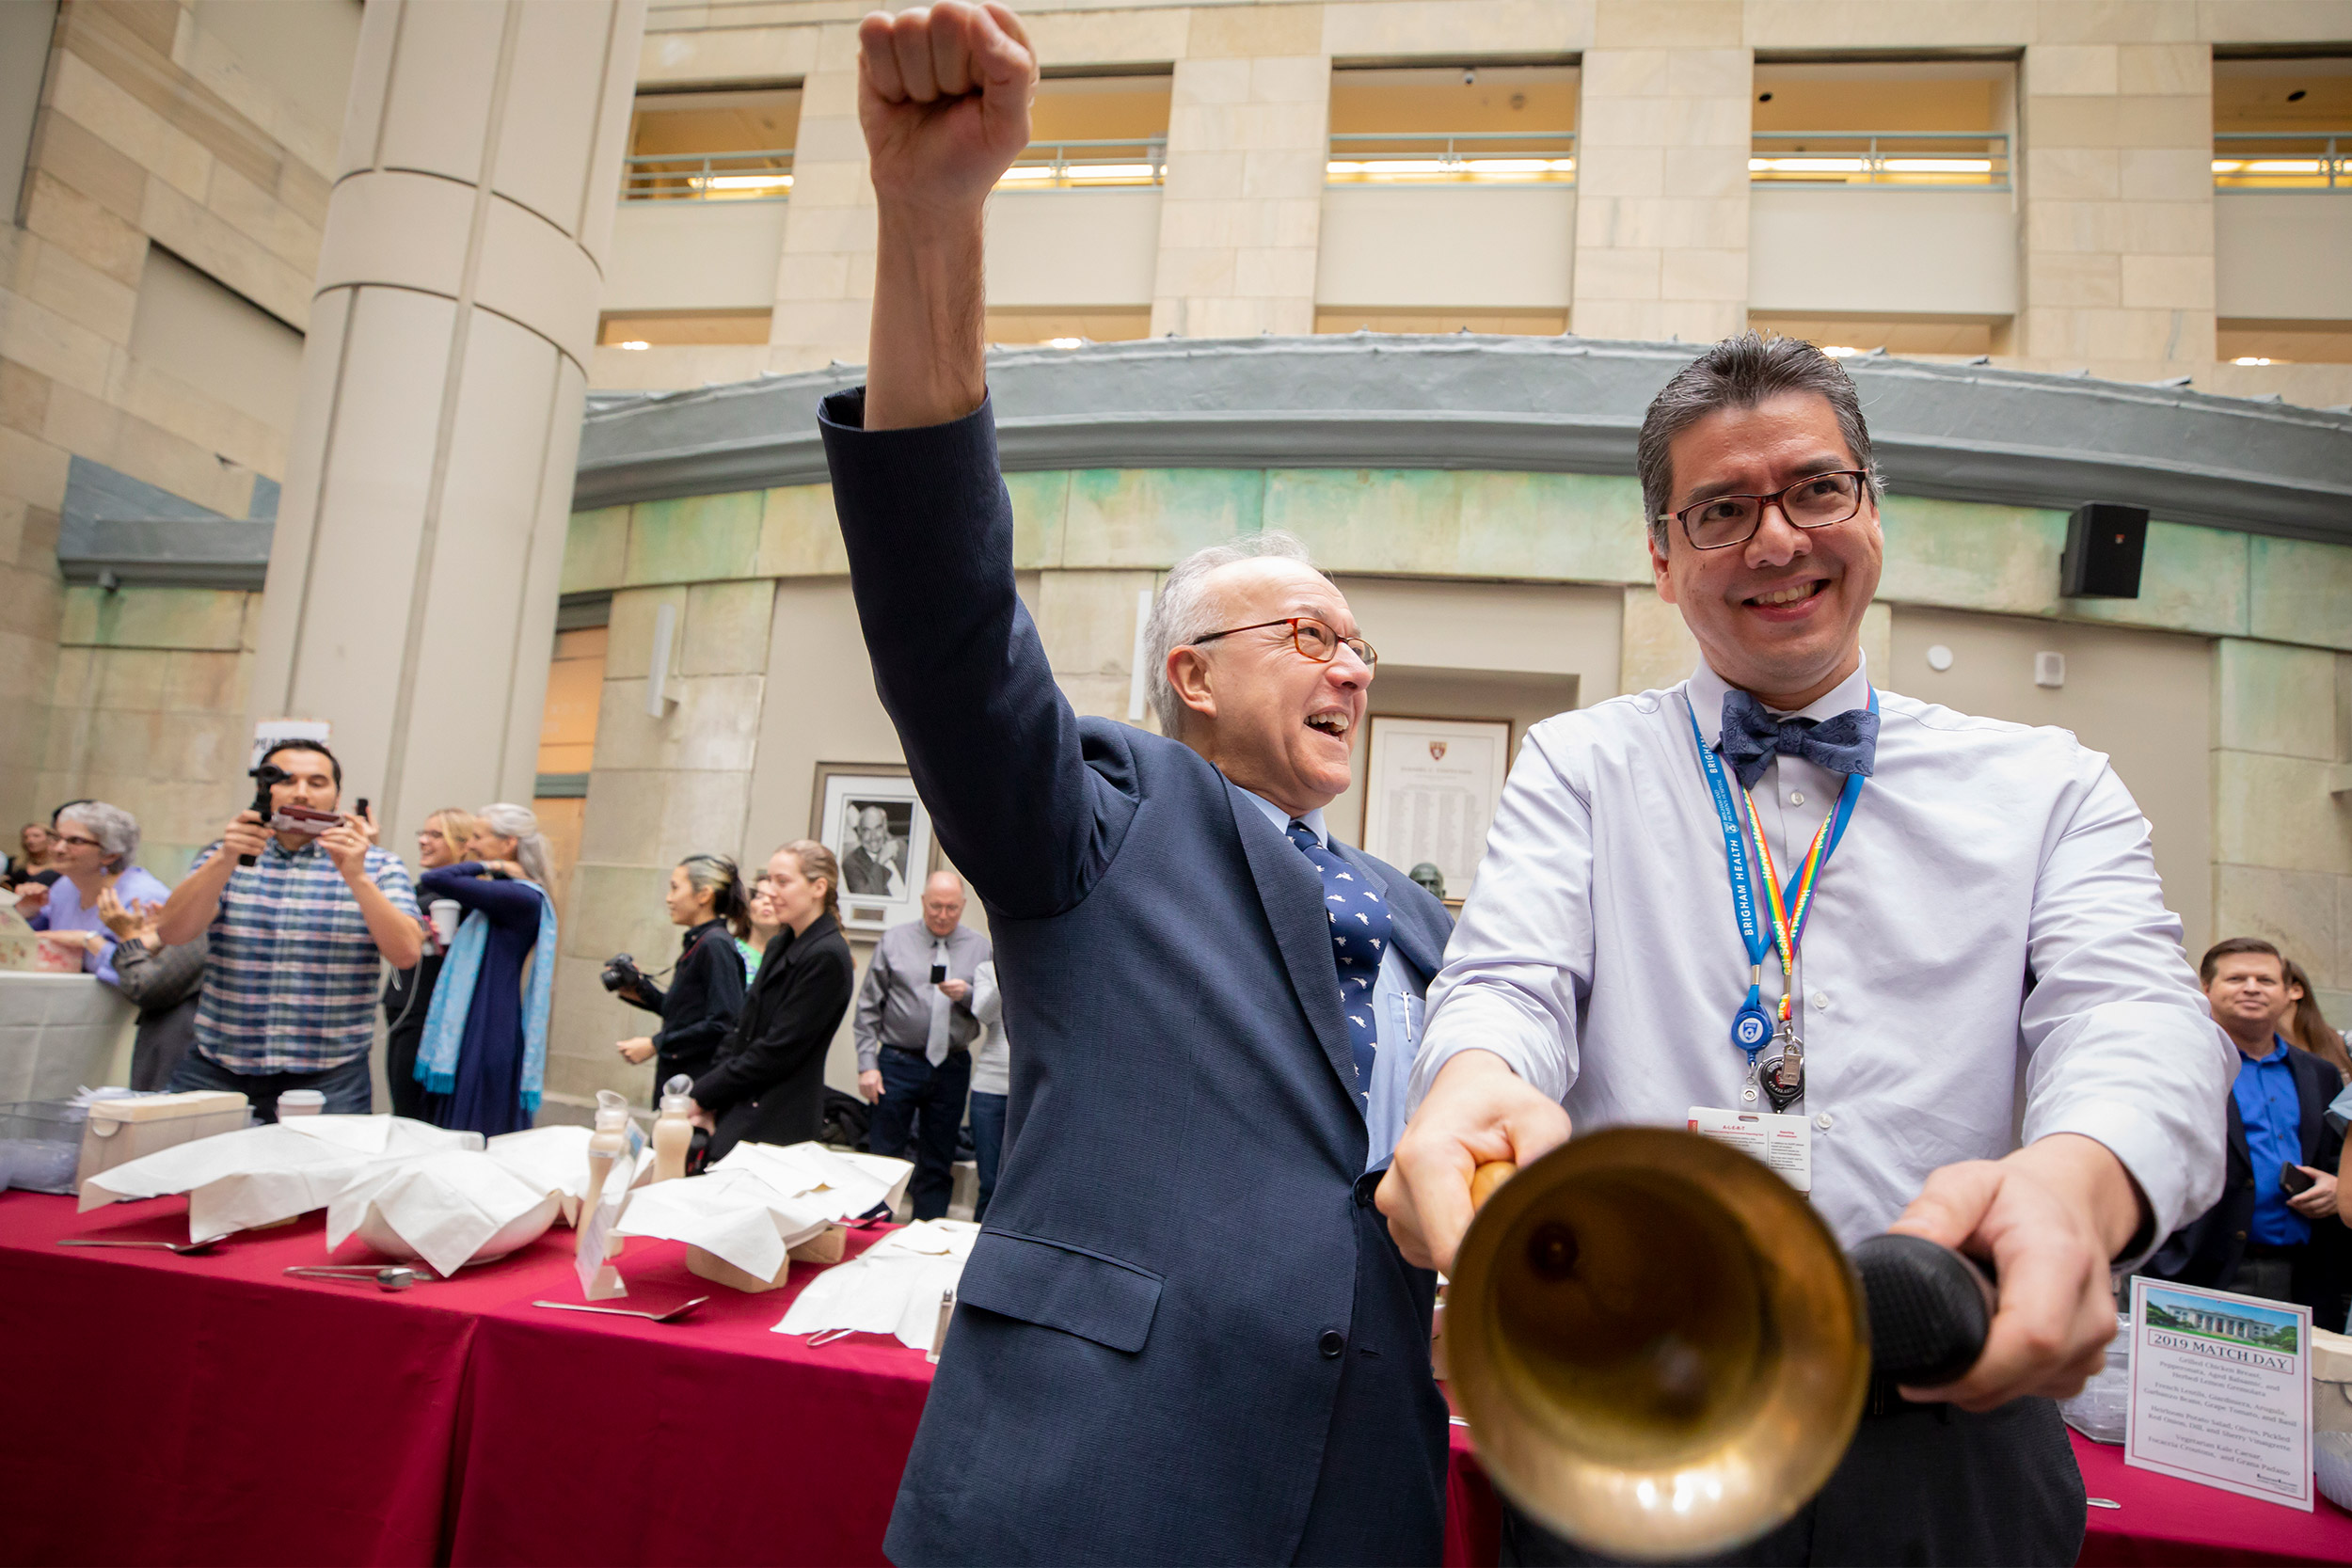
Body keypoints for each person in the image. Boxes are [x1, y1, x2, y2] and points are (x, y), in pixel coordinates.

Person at [1380, 330, 2234, 1566]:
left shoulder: (2049, 783)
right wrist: (1471, 1085)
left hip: (1951, 1414)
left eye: (1814, 489)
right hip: (1634, 1397)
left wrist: (2071, 1184)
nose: (1776, 540)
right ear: (1663, 557)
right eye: (1721, 508)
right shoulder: (1581, 763)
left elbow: (2136, 1016)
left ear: (1872, 511)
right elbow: (1511, 979)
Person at [823, 8, 1455, 1559]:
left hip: (1363, 1482)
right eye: (1312, 633)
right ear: (1191, 671)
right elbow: (949, 627)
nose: (1354, 670)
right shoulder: (1102, 819)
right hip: (1100, 1480)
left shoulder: (1427, 920)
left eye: (1366, 643)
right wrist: (931, 228)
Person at [157, 741, 423, 1120]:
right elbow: (173, 933)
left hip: (330, 1073)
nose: (301, 792)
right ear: (264, 789)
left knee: (318, 1178)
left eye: (317, 782)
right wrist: (224, 858)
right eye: (286, 781)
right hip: (218, 1063)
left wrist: (357, 877)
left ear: (337, 796)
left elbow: (406, 953)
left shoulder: (378, 865)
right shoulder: (227, 854)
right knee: (182, 1174)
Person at [2147, 940, 2344, 1317]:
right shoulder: (2179, 1063)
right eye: (2237, 978)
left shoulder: (2320, 1074)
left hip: (2302, 1278)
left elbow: (2337, 1158)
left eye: (2266, 980)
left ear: (2290, 993)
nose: (2252, 987)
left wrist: (2338, 1188)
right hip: (2197, 1272)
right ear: (2206, 989)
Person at [686, 842, 854, 1162]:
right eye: (769, 880)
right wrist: (710, 1096)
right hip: (743, 1103)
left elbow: (779, 1050)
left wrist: (704, 1094)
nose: (771, 891)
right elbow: (742, 1029)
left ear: (818, 887)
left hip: (777, 1117)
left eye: (783, 881)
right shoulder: (781, 943)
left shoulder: (827, 956)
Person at [412, 803, 559, 1138]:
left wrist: (493, 864)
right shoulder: (507, 892)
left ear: (508, 843)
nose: (470, 845)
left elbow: (435, 878)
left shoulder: (519, 895)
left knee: (472, 1127)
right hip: (483, 1014)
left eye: (478, 837)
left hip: (487, 1021)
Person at [853, 871, 991, 1221]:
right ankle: (871, 1229)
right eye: (935, 907)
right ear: (922, 903)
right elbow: (868, 1007)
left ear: (962, 906)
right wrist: (867, 1064)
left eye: (951, 908)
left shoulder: (979, 947)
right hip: (897, 1062)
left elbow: (993, 1009)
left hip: (951, 1064)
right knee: (883, 1157)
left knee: (938, 1158)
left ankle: (927, 1235)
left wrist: (968, 995)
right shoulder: (894, 941)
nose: (943, 915)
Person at [616, 853, 751, 1088]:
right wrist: (640, 988)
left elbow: (723, 1022)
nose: (669, 899)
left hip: (697, 1084)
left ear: (704, 895)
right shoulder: (702, 941)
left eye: (675, 888)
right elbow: (685, 1014)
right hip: (681, 1080)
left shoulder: (714, 945)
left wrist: (655, 1044)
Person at [383, 808, 480, 1120]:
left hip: (429, 1009)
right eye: (423, 834)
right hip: (402, 1003)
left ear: (464, 843)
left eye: (436, 835)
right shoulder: (421, 888)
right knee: (401, 1102)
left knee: (414, 1112)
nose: (424, 841)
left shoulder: (470, 892)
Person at [26, 802, 173, 985]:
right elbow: (35, 943)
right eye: (56, 838)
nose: (58, 848)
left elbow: (149, 976)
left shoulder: (144, 898)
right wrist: (29, 912)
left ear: (110, 854)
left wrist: (90, 941)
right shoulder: (65, 886)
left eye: (75, 841)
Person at [95, 885, 206, 1090]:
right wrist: (160, 942)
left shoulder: (210, 920)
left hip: (185, 1060)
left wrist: (129, 939)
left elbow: (143, 985)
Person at [967, 958, 1008, 1223]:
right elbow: (983, 1014)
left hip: (1034, 1092)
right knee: (990, 1183)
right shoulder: (987, 969)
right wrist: (1009, 972)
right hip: (989, 1090)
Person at [2283, 957, 2352, 1083]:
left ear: (2296, 990)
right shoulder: (2250, 1052)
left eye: (2266, 981)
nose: (2252, 989)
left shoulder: (2345, 1043)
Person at [841, 804, 909, 896]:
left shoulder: (900, 847)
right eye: (867, 830)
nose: (873, 837)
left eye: (878, 828)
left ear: (885, 828)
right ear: (860, 833)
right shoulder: (851, 863)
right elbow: (866, 900)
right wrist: (880, 862)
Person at [738, 874, 783, 983]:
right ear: (748, 908)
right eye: (759, 896)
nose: (767, 901)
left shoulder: (792, 955)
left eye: (774, 897)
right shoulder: (731, 950)